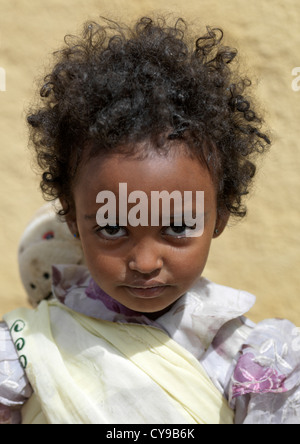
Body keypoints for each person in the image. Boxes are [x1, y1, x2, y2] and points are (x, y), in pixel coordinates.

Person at [1, 15, 300, 425]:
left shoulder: (253, 362)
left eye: (177, 228)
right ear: (72, 219)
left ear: (221, 215)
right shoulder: (27, 352)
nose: (144, 263)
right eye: (111, 228)